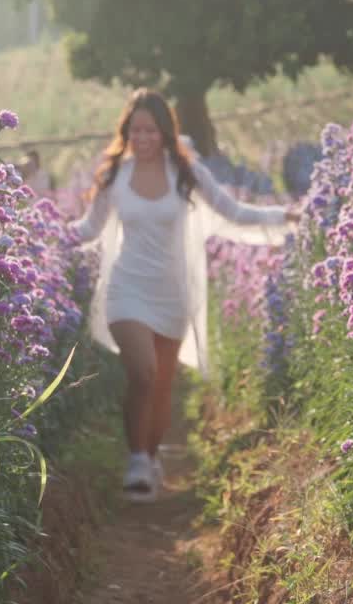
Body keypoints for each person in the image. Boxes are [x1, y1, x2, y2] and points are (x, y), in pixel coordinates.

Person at [68, 88, 299, 502]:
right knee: (143, 372)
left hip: (171, 293)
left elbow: (234, 212)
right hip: (126, 289)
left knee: (161, 386)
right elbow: (88, 229)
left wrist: (285, 217)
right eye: (136, 130)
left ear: (165, 133)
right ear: (126, 132)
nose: (143, 138)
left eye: (151, 131)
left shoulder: (186, 173)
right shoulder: (114, 176)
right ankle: (137, 459)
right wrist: (44, 232)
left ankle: (150, 456)